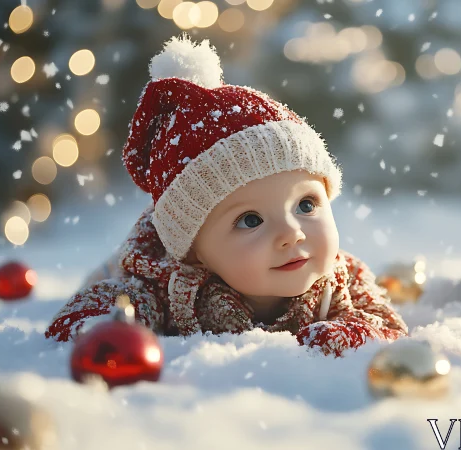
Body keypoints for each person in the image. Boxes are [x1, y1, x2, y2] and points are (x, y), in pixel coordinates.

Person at [45, 35, 407, 357]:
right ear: (196, 251)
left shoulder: (343, 277)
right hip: (130, 266)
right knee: (110, 274)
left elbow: (386, 325)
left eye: (306, 204)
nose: (291, 233)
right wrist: (109, 321)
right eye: (251, 220)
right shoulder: (166, 285)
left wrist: (345, 334)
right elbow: (83, 318)